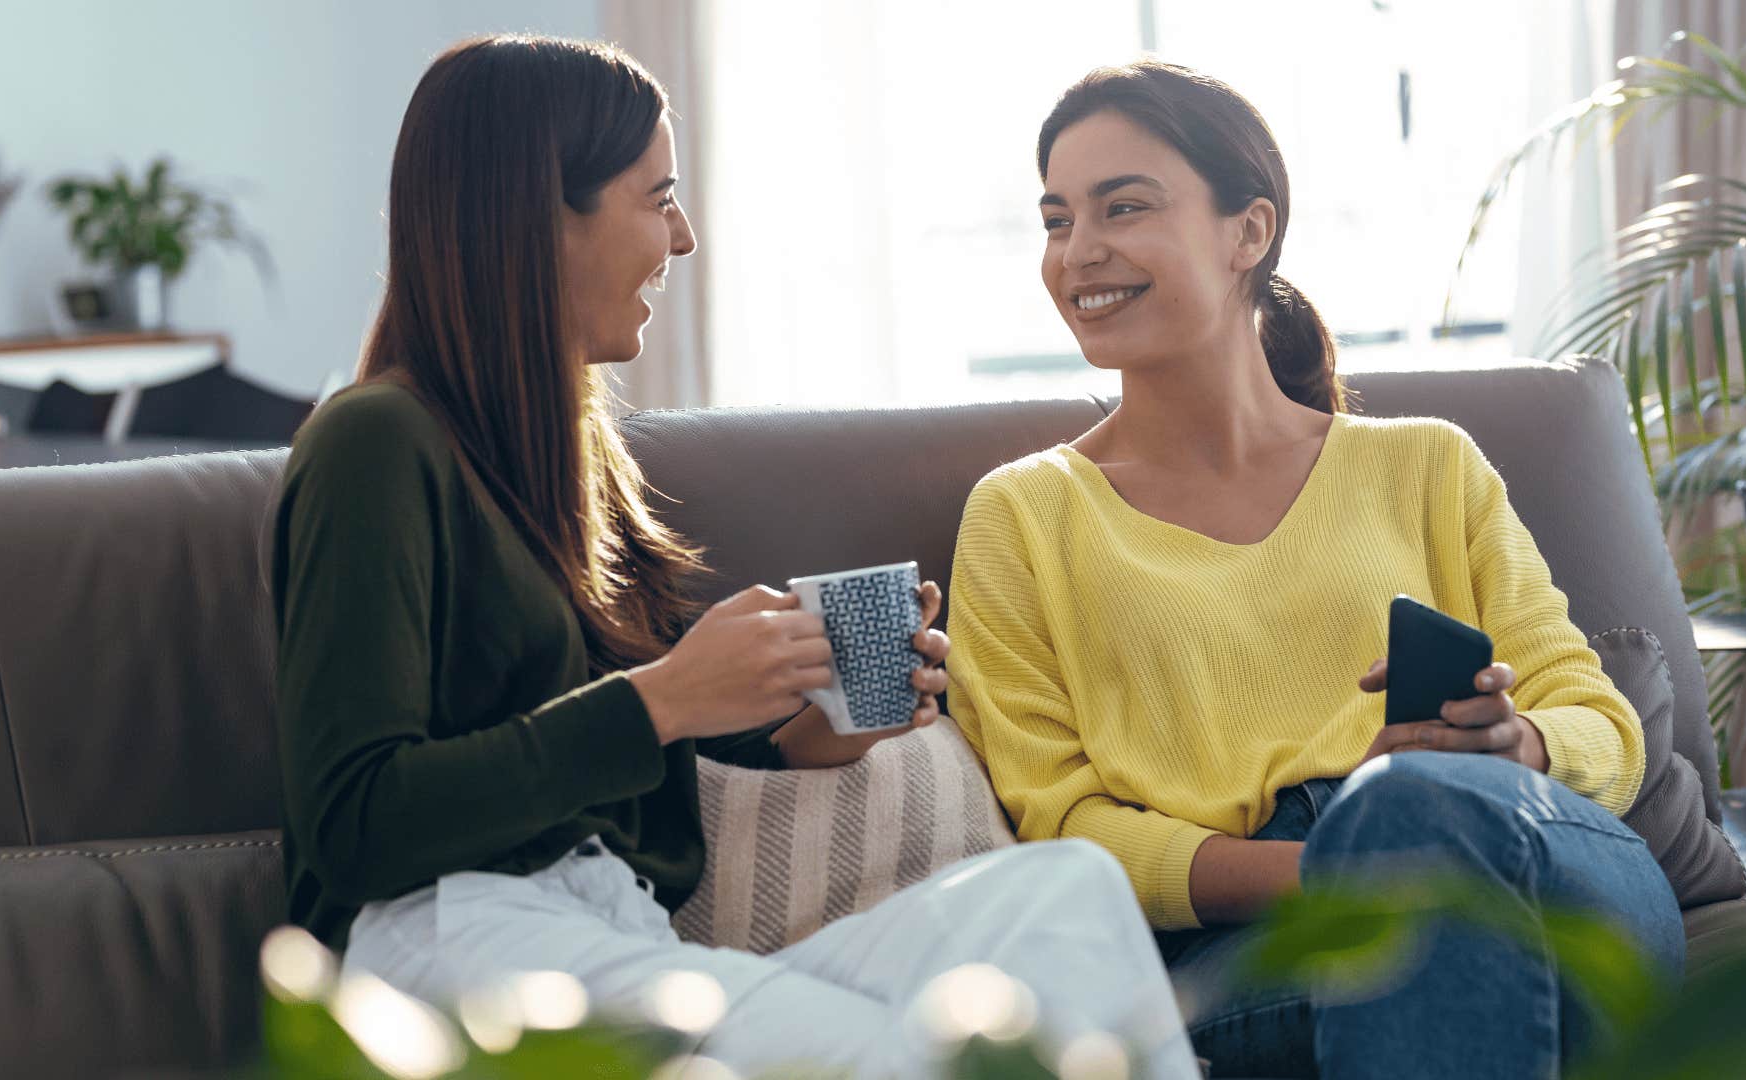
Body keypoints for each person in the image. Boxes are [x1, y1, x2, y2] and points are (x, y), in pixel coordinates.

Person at [270, 35, 1200, 1079]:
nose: (684, 236)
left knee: (1064, 896)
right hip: (446, 945)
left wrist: (802, 737)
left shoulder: (568, 460)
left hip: (613, 932)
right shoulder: (375, 441)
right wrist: (665, 698)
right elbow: (356, 823)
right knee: (909, 1059)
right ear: (541, 217)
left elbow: (604, 769)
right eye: (655, 197)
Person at [945, 59, 1685, 1079]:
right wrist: (1353, 871)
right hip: (1263, 933)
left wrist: (1520, 747)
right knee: (1443, 925)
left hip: (1532, 854)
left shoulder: (1427, 463)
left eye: (1123, 207)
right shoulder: (1024, 515)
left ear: (1248, 230)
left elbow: (1601, 723)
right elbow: (1061, 824)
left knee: (1422, 811)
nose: (1080, 252)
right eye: (1056, 220)